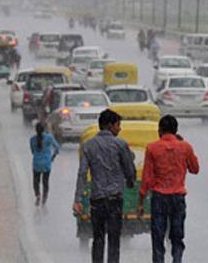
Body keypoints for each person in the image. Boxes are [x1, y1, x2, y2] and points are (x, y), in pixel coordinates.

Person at [74, 109, 136, 263]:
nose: (119, 129)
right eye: (118, 125)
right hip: (115, 200)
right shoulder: (121, 145)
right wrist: (130, 181)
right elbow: (130, 170)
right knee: (114, 240)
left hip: (97, 200)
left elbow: (82, 173)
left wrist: (77, 199)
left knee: (98, 238)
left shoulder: (89, 146)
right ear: (110, 125)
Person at [138, 115, 199, 263]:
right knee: (177, 235)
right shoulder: (185, 147)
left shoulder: (152, 148)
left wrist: (140, 202)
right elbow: (195, 169)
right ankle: (177, 259)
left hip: (159, 197)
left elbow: (147, 177)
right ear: (176, 130)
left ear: (160, 130)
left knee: (158, 236)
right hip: (178, 198)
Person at [30, 123, 60, 206]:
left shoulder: (32, 139)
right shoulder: (49, 137)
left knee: (36, 181)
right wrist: (52, 157)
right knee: (45, 182)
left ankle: (38, 195)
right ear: (44, 129)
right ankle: (44, 197)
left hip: (36, 163)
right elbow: (57, 147)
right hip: (47, 163)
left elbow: (32, 151)